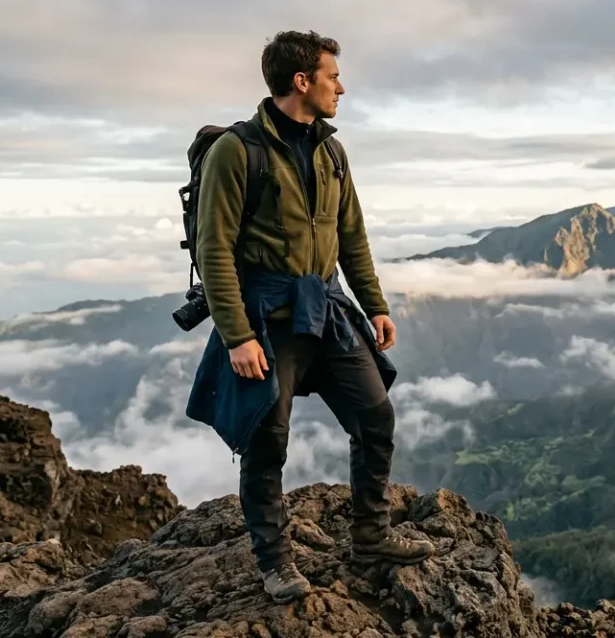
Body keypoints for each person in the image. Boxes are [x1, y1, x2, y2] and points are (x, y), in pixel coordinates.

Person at [186, 30, 434, 603]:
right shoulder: (237, 151)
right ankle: (275, 563)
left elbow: (352, 234)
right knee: (266, 440)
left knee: (375, 417)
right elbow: (213, 249)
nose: (341, 87)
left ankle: (371, 537)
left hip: (326, 308)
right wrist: (236, 336)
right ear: (302, 81)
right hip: (266, 318)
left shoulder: (331, 150)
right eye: (332, 76)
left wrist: (374, 303)